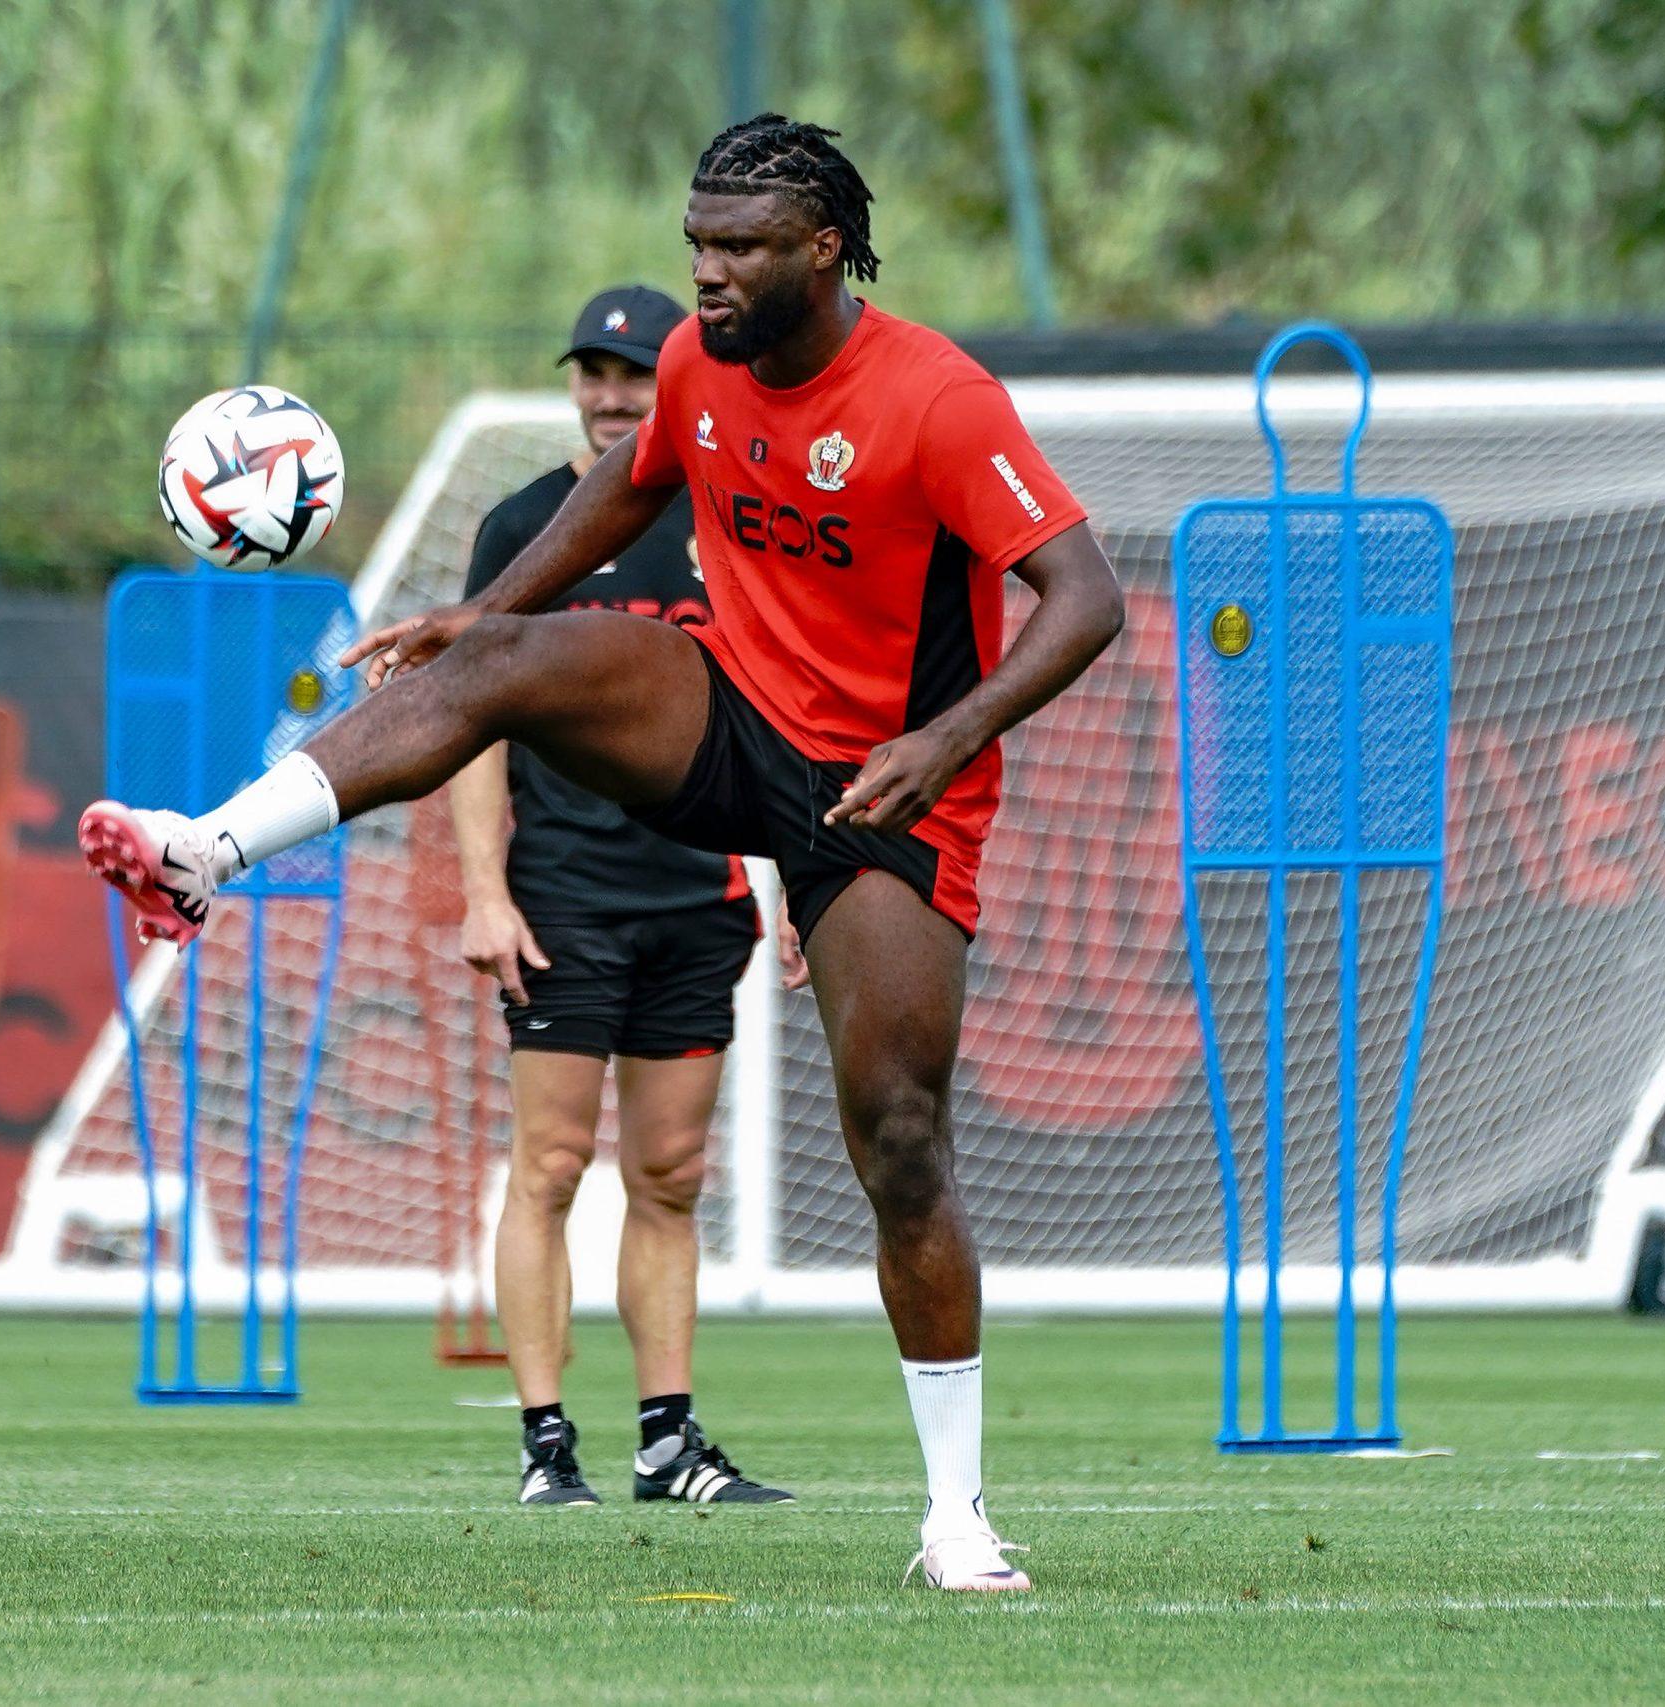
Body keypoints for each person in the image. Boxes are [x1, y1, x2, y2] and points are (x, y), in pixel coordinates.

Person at [79, 114, 1124, 1593]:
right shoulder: (699, 367)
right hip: (729, 707)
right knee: (491, 663)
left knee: (898, 1134)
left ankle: (955, 1514)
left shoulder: (937, 400)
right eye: (699, 242)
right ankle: (207, 850)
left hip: (886, 785)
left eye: (743, 247)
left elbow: (1084, 599)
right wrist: (482, 608)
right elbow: (628, 490)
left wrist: (943, 740)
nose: (707, 275)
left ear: (825, 248)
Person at [453, 284, 796, 1510]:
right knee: (546, 1166)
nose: (609, 395)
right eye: (592, 372)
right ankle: (547, 1447)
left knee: (671, 1174)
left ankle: (668, 1443)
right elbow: (470, 726)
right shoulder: (522, 534)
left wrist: (797, 879)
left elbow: (788, 719)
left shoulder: (734, 523)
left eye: (634, 374)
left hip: (696, 898)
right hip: (561, 903)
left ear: (684, 384)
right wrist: (484, 891)